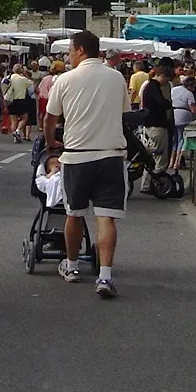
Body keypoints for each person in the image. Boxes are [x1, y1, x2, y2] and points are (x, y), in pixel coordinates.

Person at [44, 30, 129, 298]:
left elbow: (50, 118)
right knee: (106, 218)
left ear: (80, 50)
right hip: (111, 155)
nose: (69, 55)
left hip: (78, 155)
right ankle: (105, 277)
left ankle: (71, 267)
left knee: (74, 213)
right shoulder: (116, 78)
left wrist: (50, 142)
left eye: (70, 50)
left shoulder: (65, 79)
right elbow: (124, 113)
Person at [139, 65, 172, 193]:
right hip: (157, 125)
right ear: (162, 76)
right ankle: (157, 181)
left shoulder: (148, 86)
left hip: (149, 125)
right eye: (167, 78)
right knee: (160, 156)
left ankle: (146, 185)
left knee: (150, 158)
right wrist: (167, 103)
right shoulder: (154, 87)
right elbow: (161, 102)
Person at [169, 76, 196, 170]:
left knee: (174, 139)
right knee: (181, 139)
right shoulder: (189, 94)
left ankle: (171, 162)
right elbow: (193, 110)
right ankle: (177, 162)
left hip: (173, 114)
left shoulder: (174, 89)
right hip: (184, 116)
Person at [4, 64, 34, 143]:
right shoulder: (23, 79)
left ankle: (15, 137)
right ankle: (18, 131)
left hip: (10, 101)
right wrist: (25, 74)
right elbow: (31, 84)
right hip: (20, 100)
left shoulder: (8, 78)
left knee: (13, 120)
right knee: (24, 118)